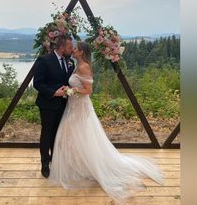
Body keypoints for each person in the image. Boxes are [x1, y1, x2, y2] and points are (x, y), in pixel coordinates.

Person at [48, 41, 165, 203]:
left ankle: (89, 167)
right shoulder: (77, 65)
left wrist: (73, 90)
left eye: (75, 48)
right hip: (73, 107)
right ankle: (81, 166)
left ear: (81, 52)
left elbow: (88, 91)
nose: (73, 50)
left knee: (71, 136)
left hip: (80, 109)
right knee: (74, 138)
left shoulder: (84, 67)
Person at [33, 35, 75, 178]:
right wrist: (53, 93)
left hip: (63, 104)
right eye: (70, 47)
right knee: (47, 133)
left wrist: (70, 90)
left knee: (58, 133)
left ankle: (55, 159)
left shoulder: (70, 62)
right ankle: (45, 164)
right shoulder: (44, 60)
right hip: (47, 104)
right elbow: (37, 84)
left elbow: (68, 82)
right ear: (62, 47)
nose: (72, 50)